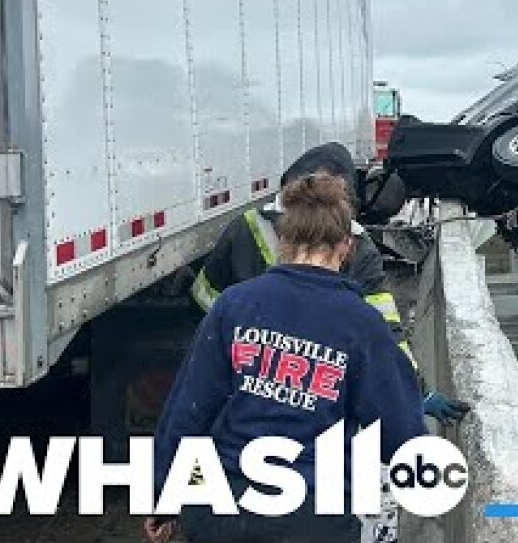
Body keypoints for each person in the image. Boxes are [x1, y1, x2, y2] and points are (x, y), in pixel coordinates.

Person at [145, 173, 427, 543]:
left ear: (282, 241)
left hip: (222, 509)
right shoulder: (362, 323)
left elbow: (186, 414)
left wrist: (164, 499)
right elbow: (400, 436)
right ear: (345, 246)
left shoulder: (234, 305)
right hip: (311, 517)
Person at [190, 143, 469, 428]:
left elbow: (205, 299)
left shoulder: (244, 228)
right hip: (321, 400)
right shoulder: (358, 246)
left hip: (245, 393)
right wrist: (417, 393)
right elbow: (386, 333)